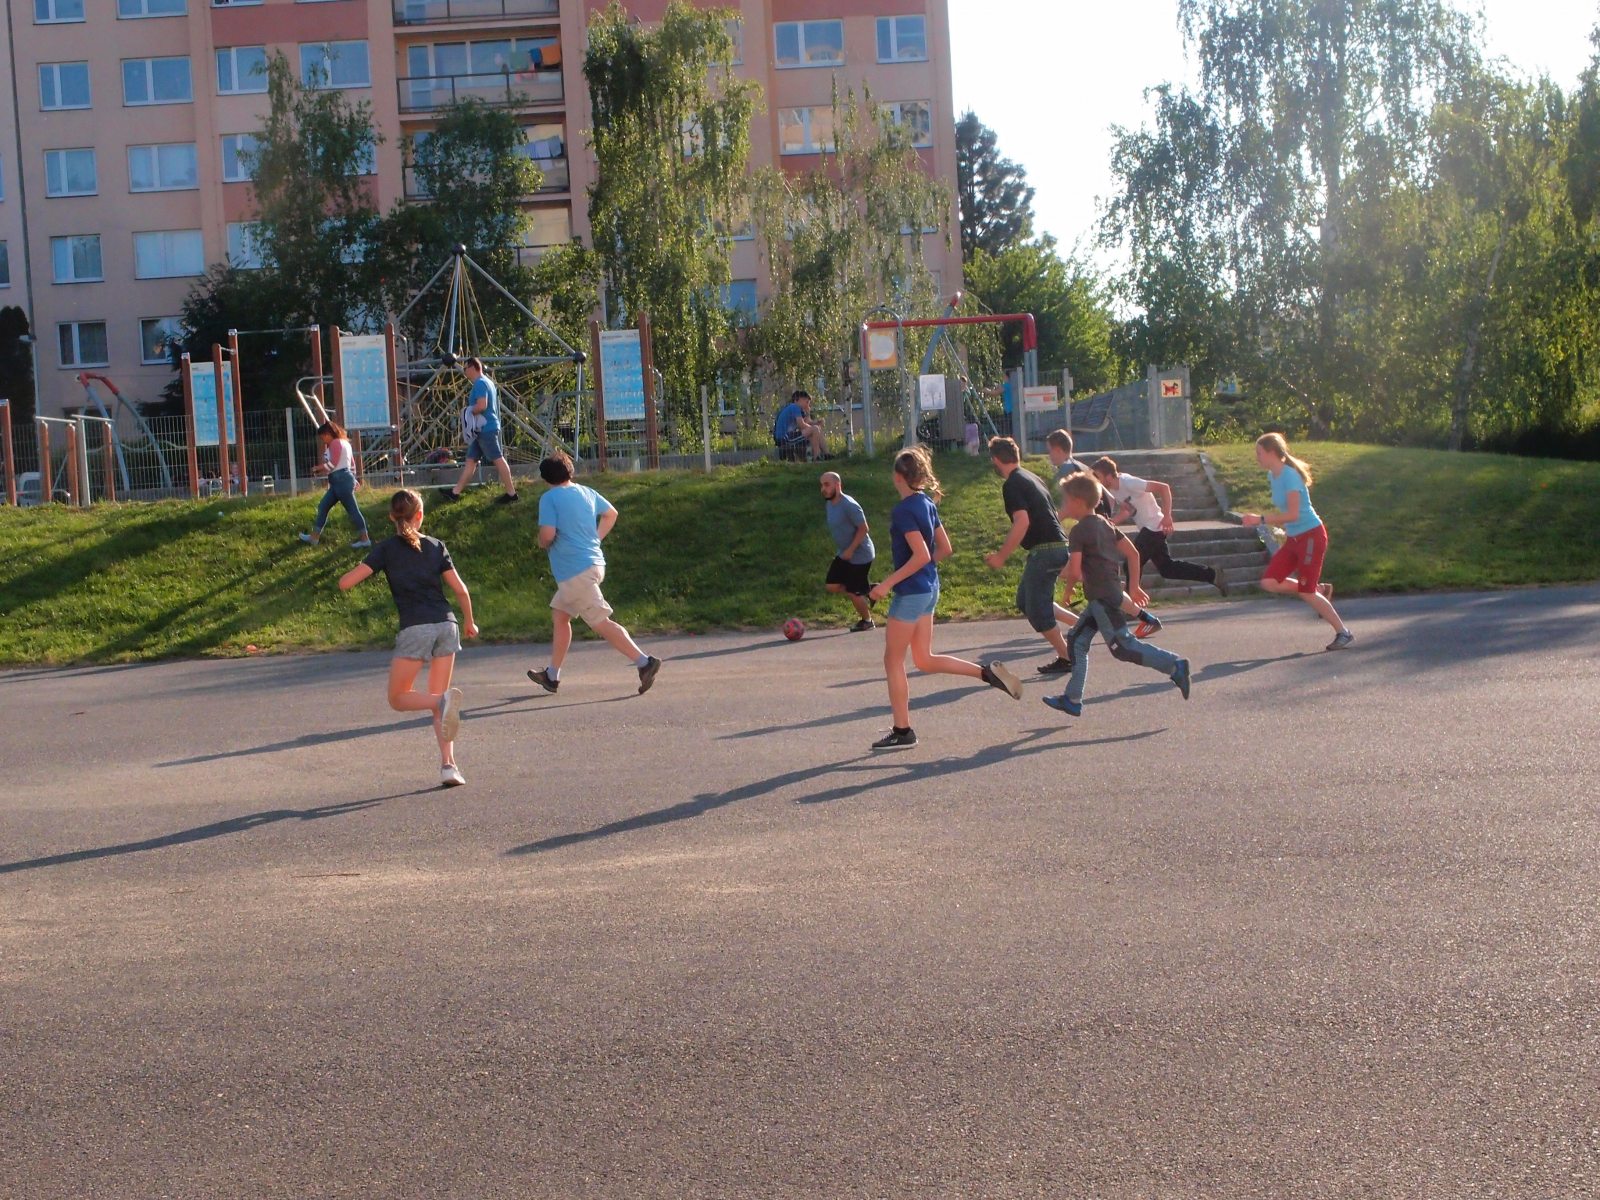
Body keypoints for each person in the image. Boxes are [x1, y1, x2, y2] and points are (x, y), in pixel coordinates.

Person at [866, 446, 1021, 751]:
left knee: (893, 660)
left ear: (898, 477)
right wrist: (920, 571)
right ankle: (986, 673)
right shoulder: (926, 502)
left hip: (912, 593)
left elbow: (921, 555)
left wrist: (886, 584)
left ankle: (903, 730)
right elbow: (944, 549)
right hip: (929, 589)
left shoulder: (904, 510)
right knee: (924, 659)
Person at [338, 489, 476, 788]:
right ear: (420, 515)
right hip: (447, 625)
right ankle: (449, 766)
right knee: (439, 703)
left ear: (392, 517)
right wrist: (470, 621)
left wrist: (348, 576)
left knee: (399, 698)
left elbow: (346, 583)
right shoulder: (437, 546)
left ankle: (442, 702)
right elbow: (461, 590)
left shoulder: (386, 549)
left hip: (416, 628)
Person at [1044, 472, 1192, 717]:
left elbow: (1076, 570)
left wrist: (1067, 592)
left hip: (1103, 598)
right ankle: (1072, 699)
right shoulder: (1106, 523)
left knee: (1123, 647)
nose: (1063, 505)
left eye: (1066, 500)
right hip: (1104, 595)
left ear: (1078, 502)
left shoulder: (1079, 531)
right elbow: (1133, 554)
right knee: (1077, 640)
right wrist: (1133, 587)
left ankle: (1175, 665)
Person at [526, 452, 662, 695]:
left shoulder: (549, 498)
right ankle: (552, 675)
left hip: (574, 572)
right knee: (560, 616)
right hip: (593, 564)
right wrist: (596, 539)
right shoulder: (587, 492)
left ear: (545, 478)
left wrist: (541, 542)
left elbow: (547, 535)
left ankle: (644, 662)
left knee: (600, 622)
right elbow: (611, 513)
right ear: (570, 471)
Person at [1241, 433, 1353, 650]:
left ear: (1272, 453)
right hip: (1294, 538)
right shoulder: (1273, 476)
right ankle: (1317, 589)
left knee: (1306, 592)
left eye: (1259, 453)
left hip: (1311, 536)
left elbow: (1293, 514)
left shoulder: (1290, 476)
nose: (1257, 458)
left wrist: (1260, 519)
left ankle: (1344, 632)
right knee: (1269, 582)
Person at [981, 436, 1078, 671]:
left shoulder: (1012, 484)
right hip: (1056, 546)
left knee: (1036, 610)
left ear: (995, 460)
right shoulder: (1032, 477)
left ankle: (1067, 657)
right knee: (1026, 600)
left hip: (1045, 550)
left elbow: (1022, 522)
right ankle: (1082, 623)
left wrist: (1001, 556)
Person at [1091, 456, 1230, 599]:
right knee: (1167, 569)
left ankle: (1132, 602)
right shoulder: (1114, 490)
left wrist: (1167, 516)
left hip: (1154, 526)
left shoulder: (1129, 482)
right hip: (1148, 528)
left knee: (1131, 563)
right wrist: (1110, 522)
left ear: (1108, 476)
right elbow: (1128, 510)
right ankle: (1212, 575)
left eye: (1097, 476)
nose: (1095, 480)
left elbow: (1164, 488)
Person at [440, 357, 520, 505]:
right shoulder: (488, 382)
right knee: (471, 460)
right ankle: (455, 493)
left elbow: (482, 406)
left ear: (473, 367)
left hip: (485, 429)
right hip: (481, 429)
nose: (464, 372)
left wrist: (467, 413)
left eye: (465, 368)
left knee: (498, 458)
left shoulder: (480, 383)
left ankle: (511, 493)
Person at [298, 420, 371, 548]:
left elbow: (333, 463)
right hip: (341, 480)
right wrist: (353, 479)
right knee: (323, 506)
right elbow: (352, 464)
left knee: (353, 510)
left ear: (328, 434)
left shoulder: (335, 443)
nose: (323, 440)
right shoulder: (345, 443)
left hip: (340, 480)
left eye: (323, 437)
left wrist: (318, 468)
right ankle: (314, 537)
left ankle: (365, 539)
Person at [820, 471, 876, 631]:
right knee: (831, 585)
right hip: (844, 552)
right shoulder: (830, 504)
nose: (823, 489)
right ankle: (867, 590)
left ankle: (867, 621)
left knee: (853, 592)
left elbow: (864, 528)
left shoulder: (849, 505)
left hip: (860, 554)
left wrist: (851, 550)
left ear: (838, 485)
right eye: (821, 485)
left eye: (827, 485)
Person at [773, 389, 828, 462]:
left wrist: (815, 422)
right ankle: (818, 456)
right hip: (784, 438)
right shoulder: (795, 407)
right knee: (815, 429)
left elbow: (807, 423)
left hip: (788, 436)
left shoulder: (792, 408)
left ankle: (825, 454)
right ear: (799, 400)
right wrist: (814, 429)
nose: (808, 405)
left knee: (815, 430)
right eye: (807, 402)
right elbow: (801, 425)